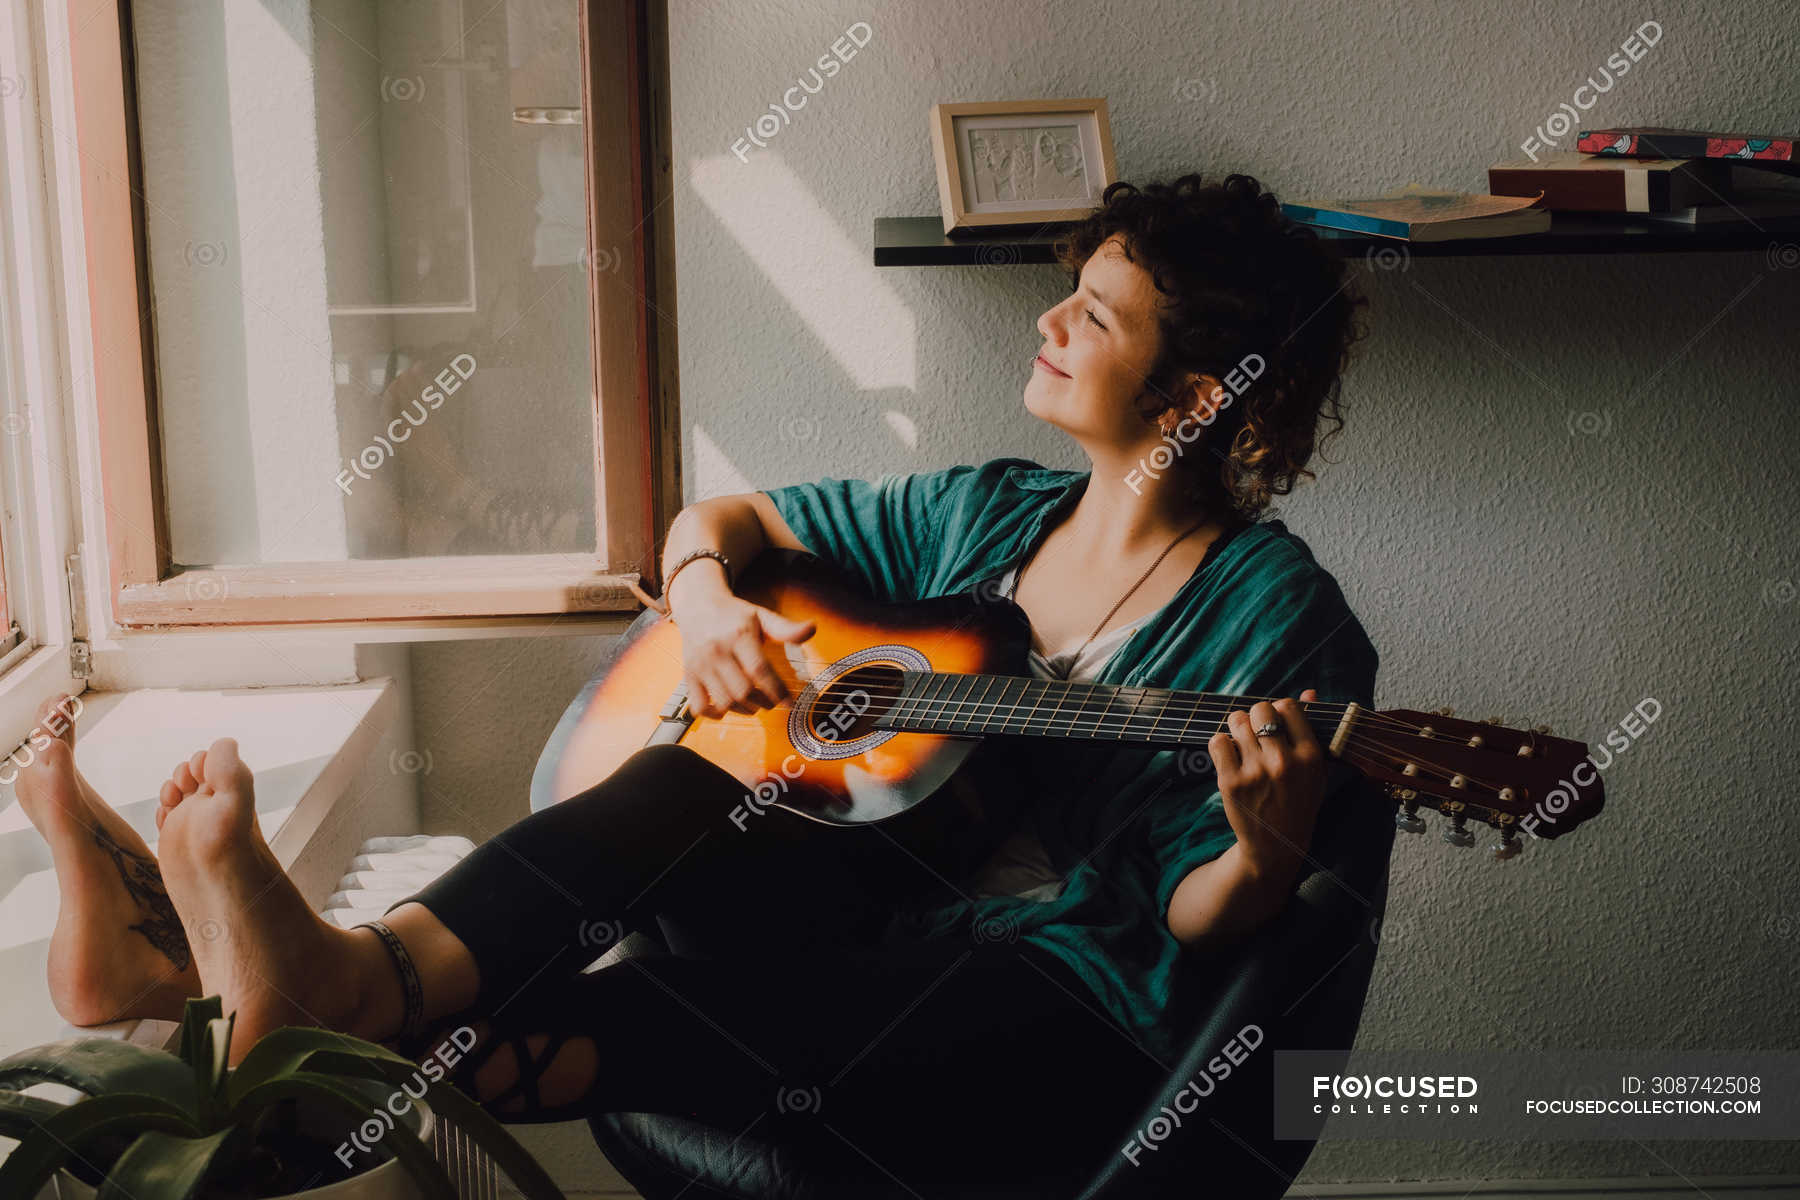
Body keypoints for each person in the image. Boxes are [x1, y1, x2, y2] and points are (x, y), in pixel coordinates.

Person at [11, 173, 1377, 1189]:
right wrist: (707, 606)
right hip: (866, 902)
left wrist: (1263, 851)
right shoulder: (992, 515)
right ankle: (336, 978)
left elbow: (1201, 924)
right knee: (682, 774)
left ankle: (245, 1005)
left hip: (1052, 1005)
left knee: (643, 1017)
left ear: (1197, 399)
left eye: (1093, 311)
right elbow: (721, 524)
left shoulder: (1278, 616)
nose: (1050, 320)